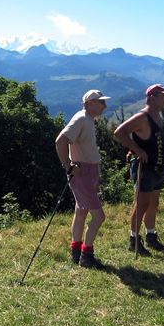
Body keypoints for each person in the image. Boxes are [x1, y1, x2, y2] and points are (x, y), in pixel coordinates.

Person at [114, 84, 164, 255]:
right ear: (152, 97)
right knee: (142, 204)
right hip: (144, 167)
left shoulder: (158, 116)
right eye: (163, 96)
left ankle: (151, 236)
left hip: (158, 167)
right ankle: (133, 239)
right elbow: (119, 132)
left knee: (153, 203)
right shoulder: (143, 116)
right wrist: (137, 149)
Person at [55, 89, 110, 269]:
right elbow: (60, 141)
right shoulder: (81, 119)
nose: (105, 105)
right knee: (99, 216)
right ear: (89, 103)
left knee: (81, 212)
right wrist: (68, 166)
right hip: (82, 172)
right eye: (101, 102)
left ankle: (76, 251)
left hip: (86, 171)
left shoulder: (87, 119)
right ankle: (86, 255)